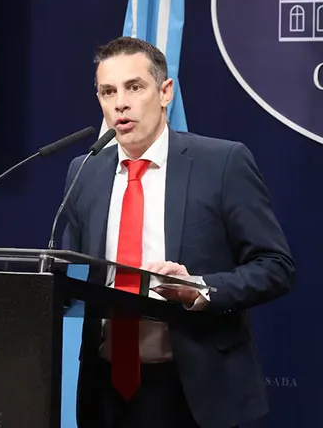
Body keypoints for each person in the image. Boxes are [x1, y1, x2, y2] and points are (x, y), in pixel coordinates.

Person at [61, 36, 295, 428]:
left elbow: (275, 266)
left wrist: (200, 288)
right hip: (104, 393)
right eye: (108, 91)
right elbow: (72, 277)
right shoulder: (84, 172)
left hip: (191, 391)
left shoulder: (221, 163)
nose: (120, 102)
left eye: (135, 87)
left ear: (165, 91)